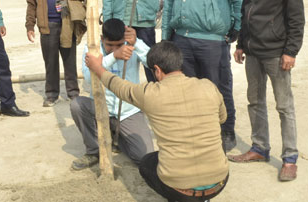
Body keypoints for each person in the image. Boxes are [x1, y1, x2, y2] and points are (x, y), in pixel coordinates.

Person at [85, 41, 229, 201]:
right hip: (219, 182)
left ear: (158, 70)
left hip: (179, 189)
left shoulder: (150, 93)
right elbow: (222, 118)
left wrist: (98, 67)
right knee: (216, 137)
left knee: (147, 163)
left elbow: (119, 87)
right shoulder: (208, 86)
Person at [229, 0, 305, 182]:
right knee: (254, 101)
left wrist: (291, 51)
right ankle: (259, 148)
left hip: (277, 52)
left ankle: (290, 158)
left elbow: (296, 15)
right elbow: (245, 11)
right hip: (252, 51)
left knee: (284, 106)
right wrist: (241, 43)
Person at [162, 0, 243, 153]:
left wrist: (236, 25)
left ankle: (226, 131)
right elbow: (169, 5)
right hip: (182, 39)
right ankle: (197, 134)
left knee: (218, 88)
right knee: (188, 92)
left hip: (212, 41)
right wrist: (165, 38)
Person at [70, 18, 154, 170]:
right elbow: (89, 79)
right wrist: (113, 57)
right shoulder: (92, 48)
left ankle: (117, 137)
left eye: (119, 45)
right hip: (101, 108)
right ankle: (94, 151)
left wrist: (137, 43)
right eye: (110, 45)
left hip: (128, 112)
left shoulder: (133, 44)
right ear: (102, 39)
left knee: (144, 157)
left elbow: (152, 62)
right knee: (77, 105)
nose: (115, 48)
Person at [26, 0, 81, 107]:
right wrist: (29, 26)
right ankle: (51, 95)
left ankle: (73, 93)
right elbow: (31, 4)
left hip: (67, 24)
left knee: (70, 61)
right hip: (47, 25)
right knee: (50, 62)